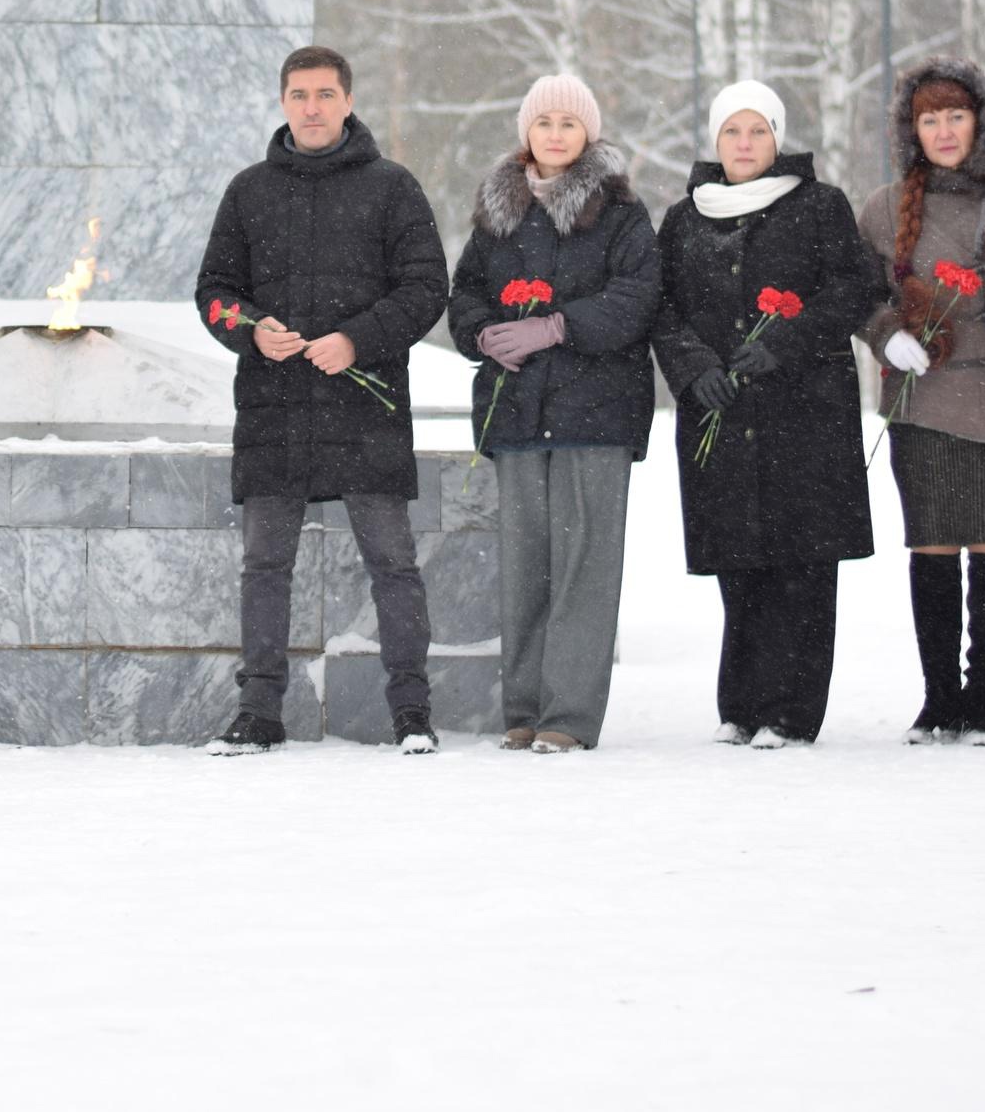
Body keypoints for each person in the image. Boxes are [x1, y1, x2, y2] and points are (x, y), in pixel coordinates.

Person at [194, 45, 451, 755]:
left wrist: (356, 340)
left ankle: (411, 711)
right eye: (299, 94)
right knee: (265, 568)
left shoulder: (393, 187)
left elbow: (427, 287)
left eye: (325, 94)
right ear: (282, 102)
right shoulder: (248, 191)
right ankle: (260, 712)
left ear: (347, 101)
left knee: (393, 565)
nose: (312, 107)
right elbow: (213, 290)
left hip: (365, 408)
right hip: (276, 408)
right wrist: (251, 330)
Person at [652, 81, 887, 748]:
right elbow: (661, 308)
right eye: (733, 131)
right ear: (717, 141)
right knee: (741, 562)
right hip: (720, 414)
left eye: (758, 131)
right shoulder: (685, 217)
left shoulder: (818, 206)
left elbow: (852, 290)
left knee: (803, 565)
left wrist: (784, 340)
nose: (745, 143)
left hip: (803, 414)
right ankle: (741, 704)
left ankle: (792, 710)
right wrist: (694, 367)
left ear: (777, 139)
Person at [446, 75, 659, 753]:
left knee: (583, 567)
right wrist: (482, 332)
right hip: (515, 413)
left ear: (589, 133)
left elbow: (635, 300)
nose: (557, 133)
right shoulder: (496, 212)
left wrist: (558, 327)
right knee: (525, 567)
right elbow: (466, 294)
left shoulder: (620, 213)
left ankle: (567, 715)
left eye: (570, 122)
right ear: (527, 133)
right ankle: (524, 708)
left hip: (595, 413)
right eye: (545, 122)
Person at [854, 58, 985, 746]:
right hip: (921, 399)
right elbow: (861, 291)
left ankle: (982, 698)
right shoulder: (883, 206)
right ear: (912, 130)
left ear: (980, 122)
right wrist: (886, 333)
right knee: (932, 547)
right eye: (929, 119)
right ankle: (938, 698)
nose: (943, 130)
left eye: (955, 115)